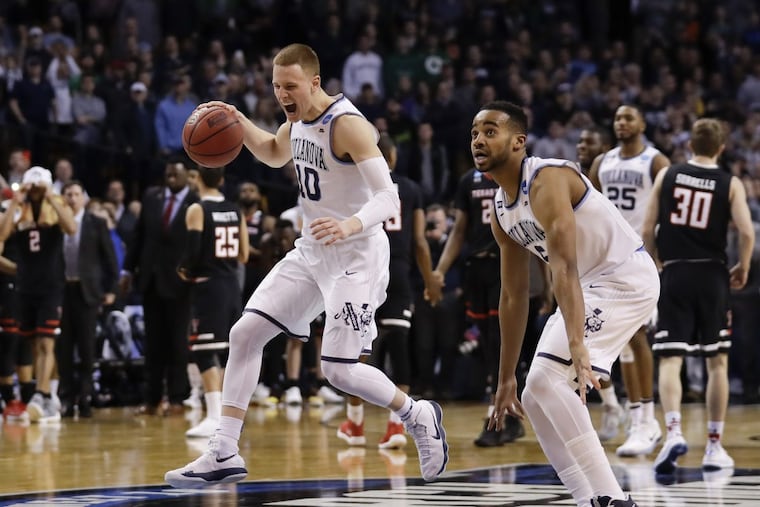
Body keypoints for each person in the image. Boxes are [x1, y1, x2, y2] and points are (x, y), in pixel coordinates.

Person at [165, 43, 448, 488]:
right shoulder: (296, 121)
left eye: (290, 86)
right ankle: (223, 449)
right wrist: (238, 121)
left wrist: (349, 224)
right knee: (244, 334)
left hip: (357, 255)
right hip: (313, 251)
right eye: (277, 86)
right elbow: (276, 153)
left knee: (337, 369)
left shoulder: (348, 125)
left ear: (315, 82)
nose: (282, 94)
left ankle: (417, 414)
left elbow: (388, 198)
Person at [480, 101, 659, 507]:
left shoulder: (548, 178)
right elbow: (512, 297)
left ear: (518, 142)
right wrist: (505, 377)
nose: (478, 139)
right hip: (590, 284)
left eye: (491, 131)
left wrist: (578, 342)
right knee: (531, 394)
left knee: (547, 380)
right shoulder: (500, 210)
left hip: (624, 278)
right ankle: (586, 498)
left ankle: (612, 498)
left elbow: (564, 266)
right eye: (475, 132)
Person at [642, 118, 754, 475]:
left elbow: (647, 228)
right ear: (721, 149)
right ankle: (714, 446)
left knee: (671, 359)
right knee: (716, 360)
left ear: (690, 145)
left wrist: (654, 263)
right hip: (712, 275)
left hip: (674, 272)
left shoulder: (668, 175)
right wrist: (743, 267)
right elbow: (747, 233)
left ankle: (672, 430)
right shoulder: (730, 182)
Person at [337, 133, 442, 449]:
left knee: (356, 350)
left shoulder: (355, 186)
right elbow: (421, 242)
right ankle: (396, 426)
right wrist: (429, 280)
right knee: (398, 345)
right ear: (393, 158)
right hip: (397, 271)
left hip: (363, 269)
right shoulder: (410, 189)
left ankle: (355, 424)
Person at [588, 104, 670, 455]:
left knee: (636, 336)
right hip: (608, 259)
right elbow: (587, 210)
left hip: (641, 258)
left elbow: (669, 210)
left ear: (643, 123)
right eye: (617, 118)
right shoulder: (601, 163)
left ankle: (647, 420)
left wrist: (660, 251)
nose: (621, 122)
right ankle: (638, 418)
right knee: (621, 342)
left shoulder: (655, 161)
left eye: (628, 118)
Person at [432, 165, 525, 447]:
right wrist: (439, 271)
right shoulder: (467, 180)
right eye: (475, 134)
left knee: (501, 341)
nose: (479, 141)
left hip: (506, 264)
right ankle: (512, 417)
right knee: (487, 343)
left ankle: (496, 415)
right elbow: (459, 230)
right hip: (476, 267)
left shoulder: (519, 174)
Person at [121, 157, 199, 416]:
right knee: (153, 344)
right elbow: (138, 236)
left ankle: (177, 398)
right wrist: (127, 270)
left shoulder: (196, 202)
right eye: (168, 174)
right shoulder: (151, 197)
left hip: (181, 284)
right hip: (151, 280)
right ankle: (152, 399)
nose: (171, 178)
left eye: (176, 174)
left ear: (188, 176)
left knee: (178, 343)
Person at [0, 166, 77, 423]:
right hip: (25, 287)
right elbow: (2, 235)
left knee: (46, 341)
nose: (34, 192)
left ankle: (43, 393)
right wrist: (15, 201)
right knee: (33, 342)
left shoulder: (54, 212)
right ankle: (44, 395)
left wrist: (50, 197)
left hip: (51, 286)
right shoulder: (19, 212)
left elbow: (72, 228)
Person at [178, 165, 250, 438]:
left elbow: (193, 253)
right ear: (221, 180)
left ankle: (213, 416)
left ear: (197, 179)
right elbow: (244, 255)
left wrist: (182, 270)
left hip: (208, 287)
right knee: (224, 350)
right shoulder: (235, 209)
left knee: (204, 350)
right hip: (232, 285)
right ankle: (225, 415)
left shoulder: (197, 209)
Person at [57, 181, 118, 418]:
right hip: (63, 291)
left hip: (88, 292)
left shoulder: (97, 223)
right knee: (64, 349)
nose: (72, 198)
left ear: (83, 198)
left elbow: (110, 260)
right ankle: (65, 398)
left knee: (86, 348)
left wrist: (111, 288)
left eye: (76, 194)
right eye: (68, 194)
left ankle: (85, 397)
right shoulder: (57, 223)